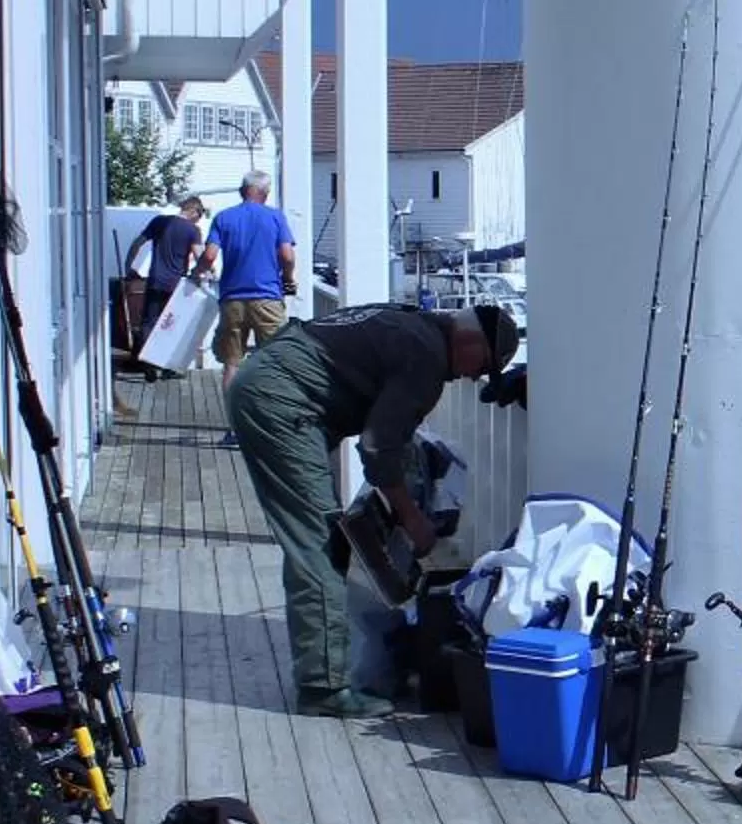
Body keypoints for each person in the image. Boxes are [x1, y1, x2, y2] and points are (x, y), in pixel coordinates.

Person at [225, 302, 520, 717]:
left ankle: (329, 664)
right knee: (319, 542)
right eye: (483, 366)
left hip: (272, 386)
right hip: (282, 404)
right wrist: (412, 518)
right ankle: (323, 687)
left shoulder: (414, 322)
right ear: (470, 341)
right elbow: (378, 446)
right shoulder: (427, 355)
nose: (473, 377)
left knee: (315, 534)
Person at [200, 172, 295, 380]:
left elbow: (209, 256)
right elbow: (287, 256)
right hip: (267, 296)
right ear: (265, 193)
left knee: (231, 363)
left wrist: (195, 273)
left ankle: (231, 402)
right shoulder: (275, 217)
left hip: (232, 298)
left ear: (242, 191)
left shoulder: (223, 217)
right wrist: (288, 279)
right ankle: (267, 401)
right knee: (275, 361)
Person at [121, 193, 206, 361]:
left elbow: (138, 242)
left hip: (155, 280)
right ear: (194, 211)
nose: (198, 221)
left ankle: (145, 362)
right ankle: (163, 362)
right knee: (171, 325)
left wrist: (128, 266)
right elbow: (200, 257)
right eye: (199, 216)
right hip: (177, 285)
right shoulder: (193, 230)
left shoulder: (159, 222)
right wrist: (204, 273)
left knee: (149, 321)